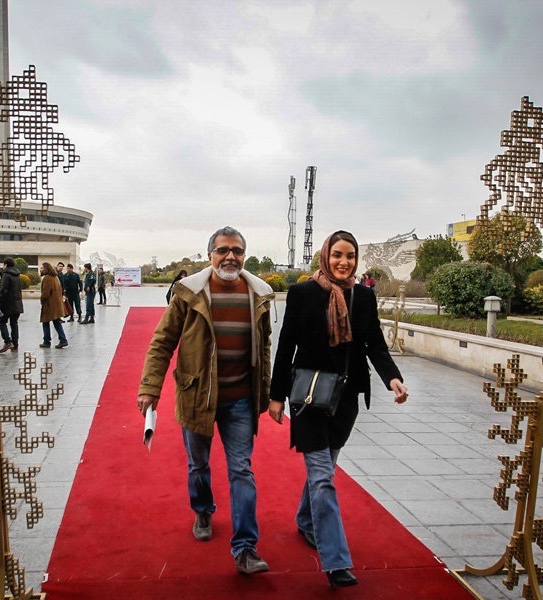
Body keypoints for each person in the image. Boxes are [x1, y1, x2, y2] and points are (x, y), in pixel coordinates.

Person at [268, 230, 408, 588]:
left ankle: (305, 520)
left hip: (345, 399)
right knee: (322, 477)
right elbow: (286, 347)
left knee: (324, 469)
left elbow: (374, 342)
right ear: (325, 256)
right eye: (337, 255)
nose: (343, 262)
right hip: (310, 397)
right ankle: (336, 561)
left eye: (350, 256)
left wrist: (392, 377)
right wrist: (276, 396)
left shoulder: (363, 297)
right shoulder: (302, 294)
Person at [137, 226, 274, 575]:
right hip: (197, 394)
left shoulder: (258, 294)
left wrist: (269, 389)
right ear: (210, 254)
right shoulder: (189, 293)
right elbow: (162, 341)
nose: (231, 256)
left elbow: (266, 346)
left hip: (240, 398)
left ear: (245, 255)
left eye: (237, 251)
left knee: (241, 469)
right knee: (198, 465)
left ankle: (245, 548)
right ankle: (203, 508)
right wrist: (150, 386)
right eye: (223, 250)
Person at [0, 257, 24, 353]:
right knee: (14, 323)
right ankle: (15, 345)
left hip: (7, 304)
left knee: (2, 322)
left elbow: (3, 291)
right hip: (17, 303)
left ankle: (8, 341)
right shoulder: (18, 275)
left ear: (6, 265)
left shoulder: (6, 275)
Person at [39, 262, 68, 349]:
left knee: (45, 322)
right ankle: (63, 340)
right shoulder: (55, 277)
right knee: (56, 322)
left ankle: (47, 341)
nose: (41, 269)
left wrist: (42, 301)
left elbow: (45, 293)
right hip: (56, 304)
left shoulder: (47, 278)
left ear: (46, 269)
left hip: (49, 305)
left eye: (42, 268)